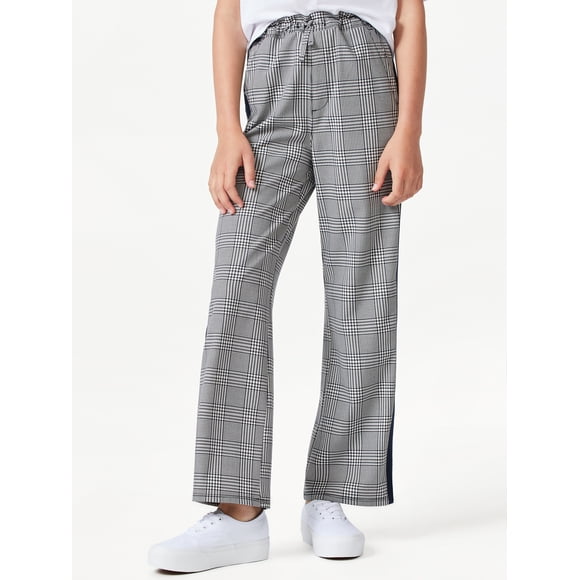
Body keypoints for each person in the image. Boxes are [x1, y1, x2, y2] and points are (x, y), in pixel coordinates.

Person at [149, 0, 426, 572]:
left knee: (360, 293)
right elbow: (229, 17)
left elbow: (410, 17)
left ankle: (332, 492)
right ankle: (237, 512)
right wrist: (228, 128)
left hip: (362, 75)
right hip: (271, 73)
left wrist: (409, 130)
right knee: (237, 288)